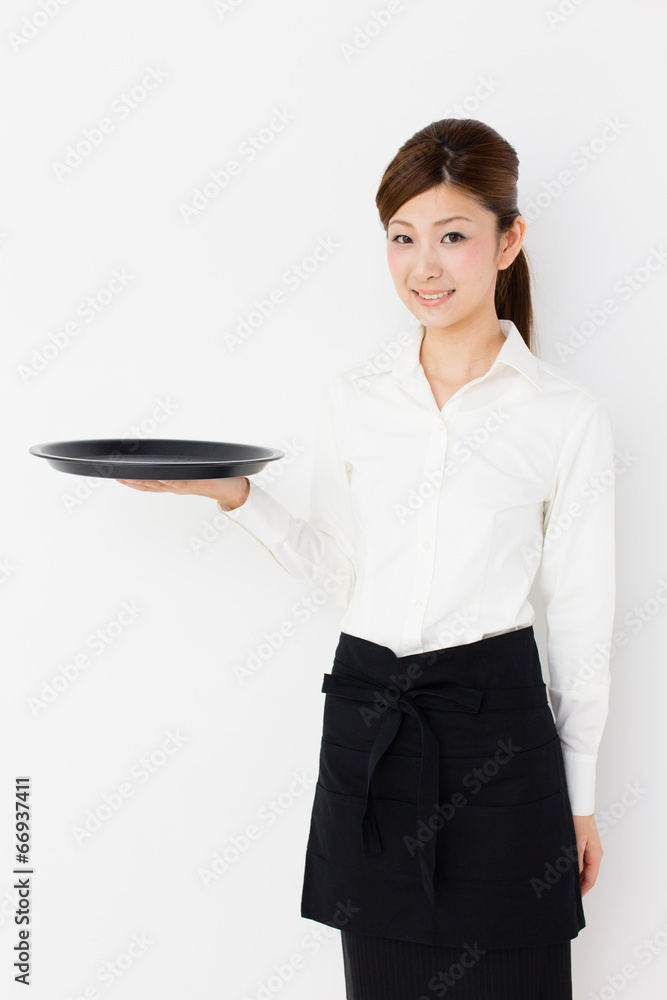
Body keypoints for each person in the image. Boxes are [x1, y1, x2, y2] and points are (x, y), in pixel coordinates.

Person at [117, 118, 616, 999]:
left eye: (452, 236)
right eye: (401, 238)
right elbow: (339, 569)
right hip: (370, 721)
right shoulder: (354, 400)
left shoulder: (563, 416)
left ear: (509, 241)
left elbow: (580, 616)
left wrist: (578, 795)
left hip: (498, 729)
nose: (424, 267)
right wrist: (238, 496)